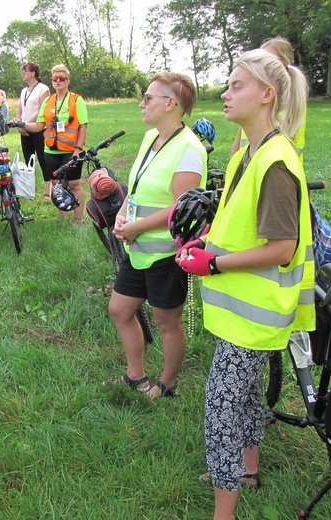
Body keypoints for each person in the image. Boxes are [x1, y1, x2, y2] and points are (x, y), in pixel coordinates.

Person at [176, 49, 313, 520]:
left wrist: (216, 265)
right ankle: (248, 471)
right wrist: (203, 247)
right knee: (247, 395)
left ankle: (224, 513)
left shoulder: (275, 161)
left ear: (266, 95)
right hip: (241, 311)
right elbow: (234, 223)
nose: (225, 93)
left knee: (220, 411)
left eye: (236, 85)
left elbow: (282, 248)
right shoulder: (246, 154)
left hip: (256, 315)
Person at [105, 72, 207, 400]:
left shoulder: (190, 148)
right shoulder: (151, 137)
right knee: (120, 309)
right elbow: (136, 188)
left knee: (167, 322)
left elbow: (182, 208)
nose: (141, 104)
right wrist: (123, 215)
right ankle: (136, 376)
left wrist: (136, 227)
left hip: (165, 253)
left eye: (148, 98)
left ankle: (168, 384)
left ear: (170, 103)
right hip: (138, 247)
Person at [20, 64, 88, 222]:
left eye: (61, 78)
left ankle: (78, 220)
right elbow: (39, 126)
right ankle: (63, 220)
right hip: (50, 151)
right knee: (57, 186)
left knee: (73, 184)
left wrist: (78, 149)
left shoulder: (77, 100)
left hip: (71, 151)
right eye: (54, 78)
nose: (58, 81)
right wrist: (22, 124)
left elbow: (83, 126)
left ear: (67, 81)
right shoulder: (48, 101)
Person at [231, 37, 306, 160]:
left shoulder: (286, 102)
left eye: (266, 60)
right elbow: (238, 143)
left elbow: (281, 153)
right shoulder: (252, 104)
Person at [14, 63, 50, 198]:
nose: (23, 73)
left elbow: (43, 110)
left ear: (33, 72)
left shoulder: (43, 89)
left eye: (25, 71)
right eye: (22, 71)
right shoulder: (24, 91)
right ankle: (29, 188)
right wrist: (19, 124)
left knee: (43, 159)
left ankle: (48, 189)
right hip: (24, 130)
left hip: (38, 129)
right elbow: (20, 110)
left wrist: (26, 124)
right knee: (29, 159)